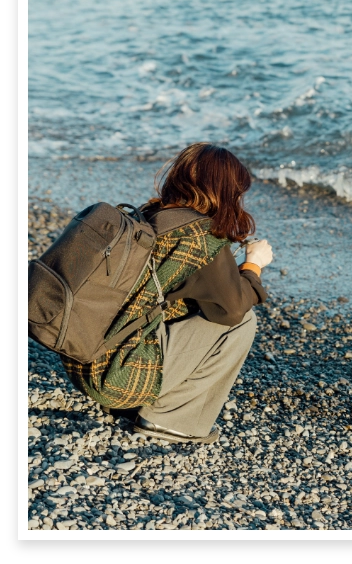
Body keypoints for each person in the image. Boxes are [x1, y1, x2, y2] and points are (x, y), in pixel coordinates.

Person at [60, 143, 272, 443]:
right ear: (225, 191)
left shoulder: (148, 215)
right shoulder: (201, 237)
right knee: (241, 323)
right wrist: (253, 265)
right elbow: (233, 309)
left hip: (85, 363)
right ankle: (169, 420)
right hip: (119, 376)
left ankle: (133, 405)